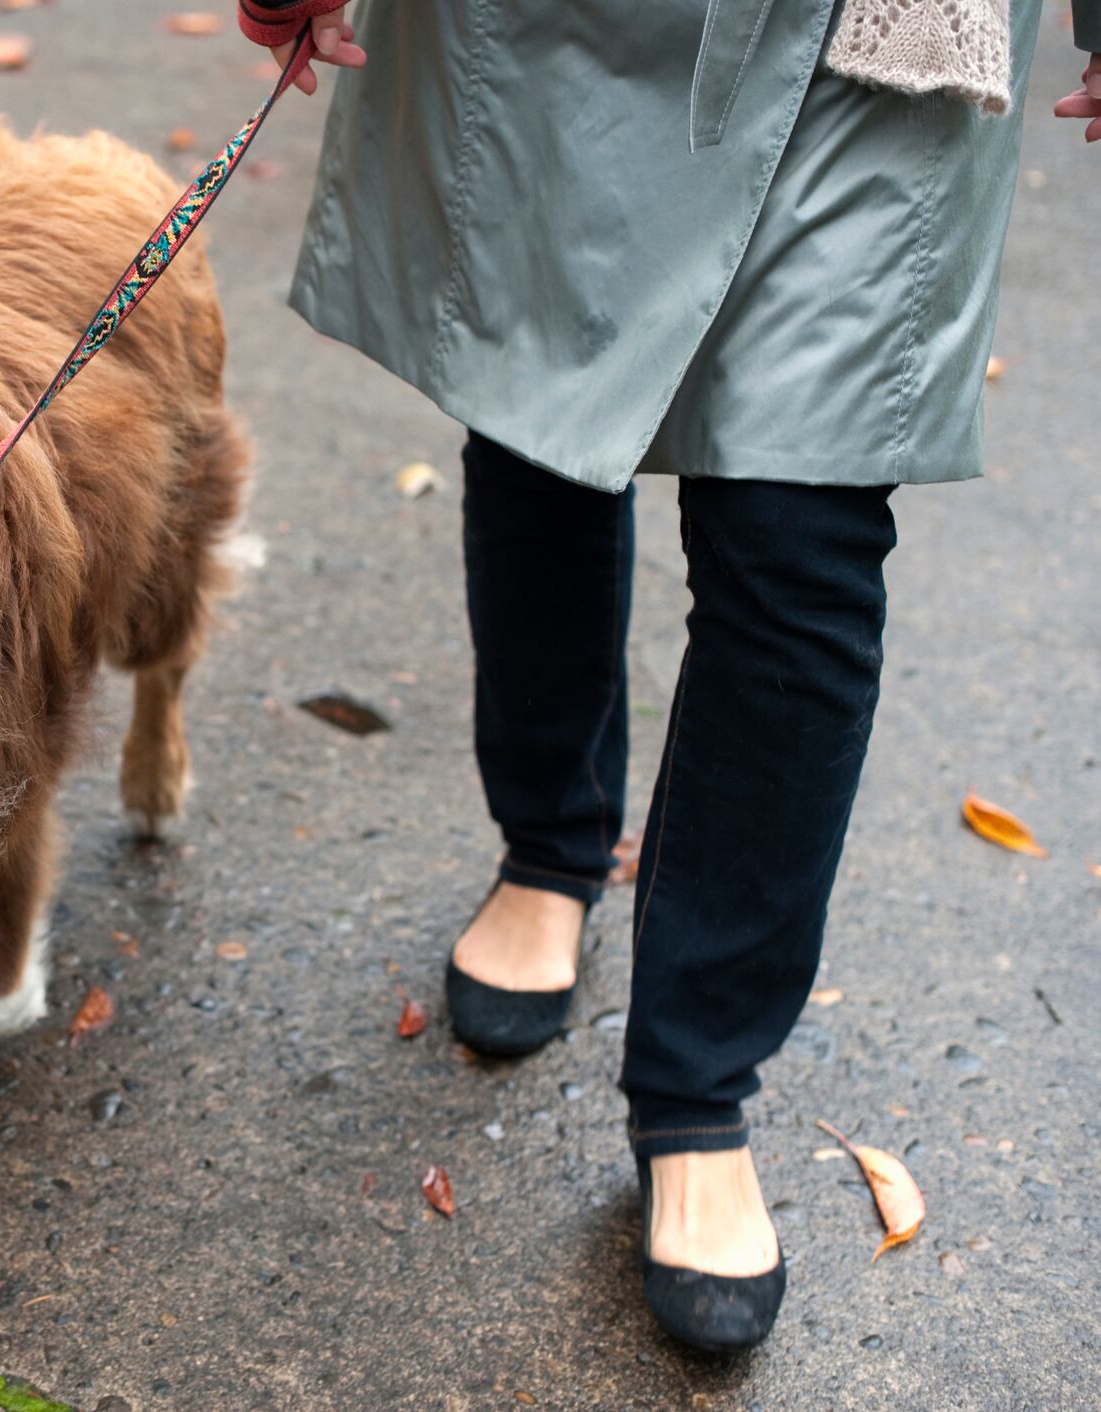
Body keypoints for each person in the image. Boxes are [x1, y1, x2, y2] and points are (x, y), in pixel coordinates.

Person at [237, 0, 1099, 1352]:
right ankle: (549, 842)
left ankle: (698, 1086)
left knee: (799, 532)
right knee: (541, 414)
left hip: (883, 33)